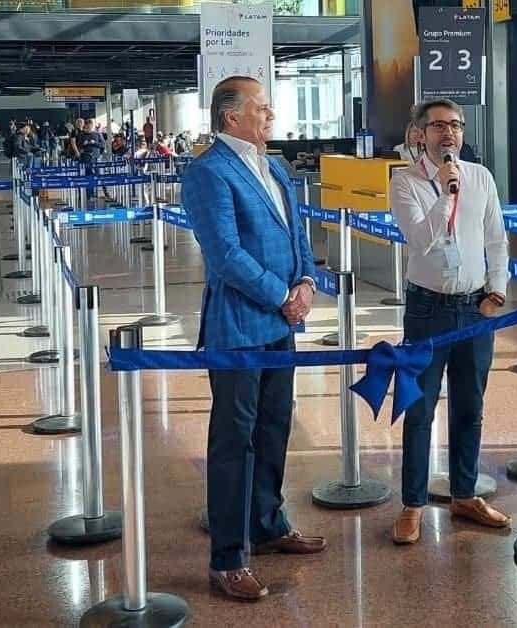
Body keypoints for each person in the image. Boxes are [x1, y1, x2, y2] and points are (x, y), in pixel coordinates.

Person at [181, 76, 324, 602]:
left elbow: (297, 233)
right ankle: (227, 557)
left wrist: (307, 281)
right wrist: (280, 295)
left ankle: (267, 523)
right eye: (261, 108)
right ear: (230, 117)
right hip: (239, 327)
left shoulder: (277, 167)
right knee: (233, 442)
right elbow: (225, 255)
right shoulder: (207, 173)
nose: (270, 115)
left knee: (274, 428)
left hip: (280, 325)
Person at [389, 98, 511, 545]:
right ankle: (413, 504)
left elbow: (496, 239)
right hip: (427, 309)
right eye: (439, 125)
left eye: (456, 125)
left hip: (475, 307)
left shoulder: (480, 176)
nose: (449, 133)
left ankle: (464, 492)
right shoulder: (404, 182)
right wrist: (444, 192)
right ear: (419, 133)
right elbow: (420, 241)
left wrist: (496, 291)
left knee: (470, 406)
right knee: (419, 409)